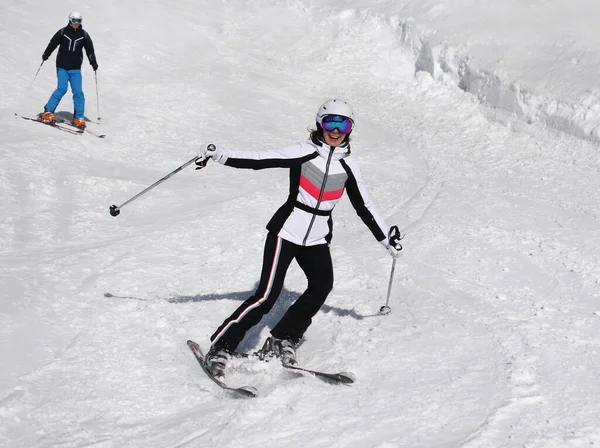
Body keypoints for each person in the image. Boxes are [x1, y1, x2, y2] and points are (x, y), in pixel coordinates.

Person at [197, 99, 403, 377]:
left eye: (344, 124)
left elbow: (364, 206)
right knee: (267, 295)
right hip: (287, 230)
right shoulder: (304, 151)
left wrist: (386, 240)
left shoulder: (350, 165)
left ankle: (283, 337)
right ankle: (222, 346)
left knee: (321, 286)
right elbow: (260, 159)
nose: (336, 129)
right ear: (320, 123)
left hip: (317, 236)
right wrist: (220, 155)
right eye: (331, 122)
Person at [39, 11, 98, 129]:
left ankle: (78, 118)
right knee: (62, 88)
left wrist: (93, 62)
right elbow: (53, 43)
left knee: (78, 92)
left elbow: (90, 50)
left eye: (78, 21)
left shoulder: (84, 35)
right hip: (62, 66)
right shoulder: (63, 32)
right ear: (70, 20)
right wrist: (46, 54)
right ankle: (47, 111)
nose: (76, 23)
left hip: (75, 69)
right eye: (74, 21)